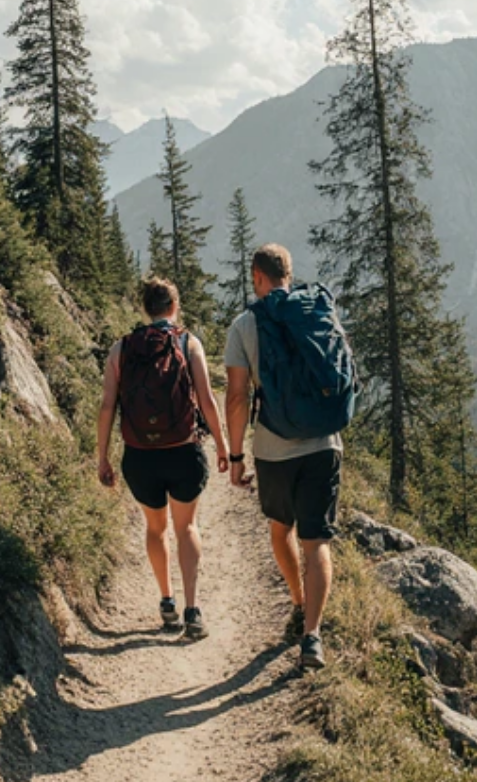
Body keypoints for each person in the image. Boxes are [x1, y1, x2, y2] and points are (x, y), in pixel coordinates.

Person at [224, 244, 343, 670]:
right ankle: (312, 636)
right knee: (317, 543)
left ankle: (298, 602)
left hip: (273, 450)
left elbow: (237, 397)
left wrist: (236, 455)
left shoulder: (245, 325)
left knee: (280, 531)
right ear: (288, 275)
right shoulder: (318, 311)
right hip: (324, 444)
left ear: (257, 276)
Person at [98, 278, 228, 638]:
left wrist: (102, 457)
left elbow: (107, 406)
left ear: (145, 308)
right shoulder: (188, 343)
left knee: (156, 528)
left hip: (140, 457)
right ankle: (193, 610)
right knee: (187, 527)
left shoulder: (121, 348)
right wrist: (222, 446)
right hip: (183, 451)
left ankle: (167, 602)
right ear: (175, 306)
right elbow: (207, 400)